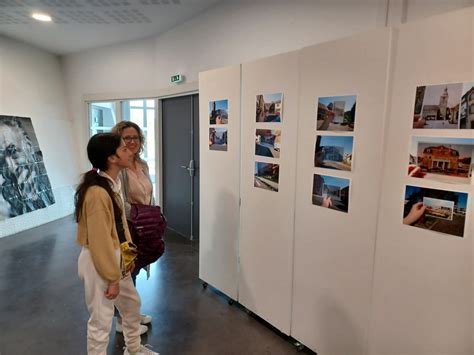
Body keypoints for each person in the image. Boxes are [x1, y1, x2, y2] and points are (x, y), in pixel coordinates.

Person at [75, 133, 158, 355]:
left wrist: (128, 257)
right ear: (112, 158)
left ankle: (133, 349)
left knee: (131, 306)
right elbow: (100, 241)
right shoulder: (96, 193)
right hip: (99, 263)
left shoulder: (113, 183)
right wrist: (112, 278)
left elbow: (120, 226)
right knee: (101, 321)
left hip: (115, 258)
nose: (130, 150)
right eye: (123, 148)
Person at [111, 121, 154, 334]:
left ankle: (132, 314)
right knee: (127, 272)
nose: (132, 142)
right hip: (129, 226)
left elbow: (148, 193)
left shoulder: (142, 164)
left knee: (136, 269)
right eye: (127, 138)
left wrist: (153, 216)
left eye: (135, 137)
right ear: (118, 141)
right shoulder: (118, 168)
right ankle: (123, 321)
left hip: (143, 225)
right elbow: (119, 202)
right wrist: (141, 216)